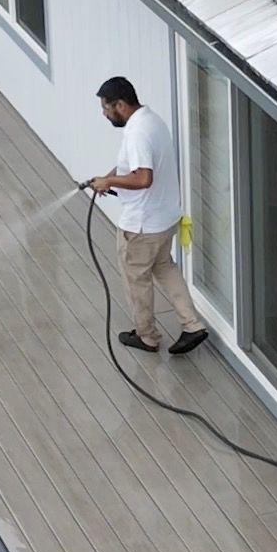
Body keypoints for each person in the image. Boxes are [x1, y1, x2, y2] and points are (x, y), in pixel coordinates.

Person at [88, 75, 209, 356]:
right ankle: (192, 325)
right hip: (165, 217)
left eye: (106, 109)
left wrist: (111, 183)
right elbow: (131, 167)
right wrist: (107, 178)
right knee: (164, 267)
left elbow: (143, 178)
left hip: (141, 226)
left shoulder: (136, 133)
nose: (105, 115)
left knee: (136, 279)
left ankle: (147, 336)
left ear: (120, 104)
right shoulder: (151, 120)